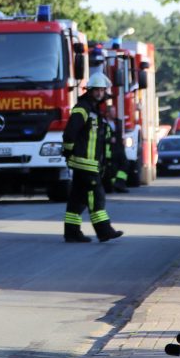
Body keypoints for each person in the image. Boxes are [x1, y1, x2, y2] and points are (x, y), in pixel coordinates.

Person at [61, 73, 124, 243]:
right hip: (84, 163)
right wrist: (68, 152)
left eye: (102, 90)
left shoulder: (94, 111)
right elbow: (69, 134)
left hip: (89, 163)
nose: (99, 93)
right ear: (89, 90)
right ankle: (104, 231)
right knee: (97, 196)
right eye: (96, 89)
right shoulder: (83, 108)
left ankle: (72, 233)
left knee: (78, 198)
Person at [100, 101, 129, 194]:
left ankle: (119, 183)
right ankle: (114, 186)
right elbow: (100, 136)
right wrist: (108, 139)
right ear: (107, 113)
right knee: (112, 170)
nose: (114, 113)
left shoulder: (118, 122)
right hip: (110, 151)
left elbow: (122, 133)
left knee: (125, 164)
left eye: (114, 111)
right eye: (112, 112)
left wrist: (124, 139)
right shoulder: (103, 123)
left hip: (120, 149)